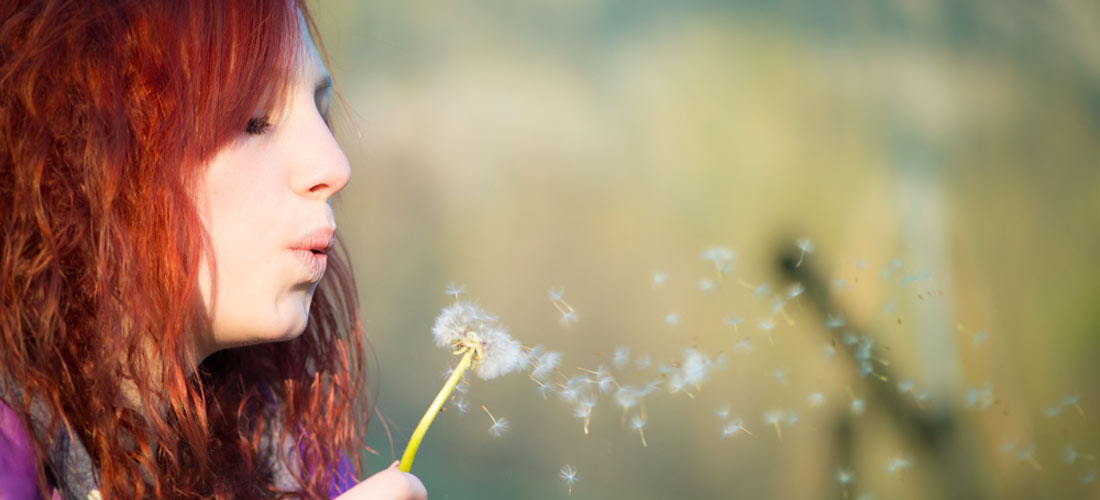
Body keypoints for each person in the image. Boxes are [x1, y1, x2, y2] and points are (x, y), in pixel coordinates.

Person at [0, 1, 426, 498]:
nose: (334, 166)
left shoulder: (274, 455)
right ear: (89, 155)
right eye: (256, 119)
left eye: (322, 112)